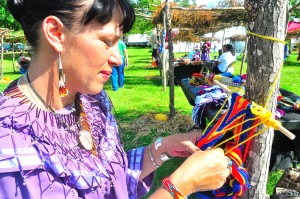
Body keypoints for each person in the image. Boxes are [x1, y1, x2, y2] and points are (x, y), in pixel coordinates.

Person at [0, 0, 231, 198]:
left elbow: (106, 179)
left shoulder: (91, 102)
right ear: (56, 33)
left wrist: (161, 148)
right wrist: (179, 186)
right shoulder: (12, 145)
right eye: (107, 41)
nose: (118, 59)